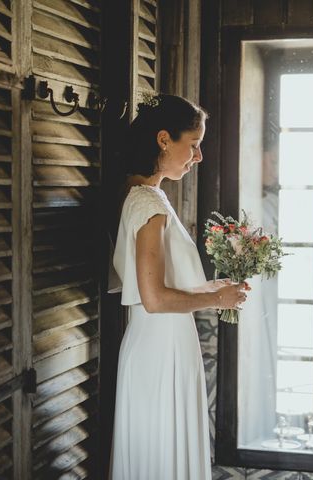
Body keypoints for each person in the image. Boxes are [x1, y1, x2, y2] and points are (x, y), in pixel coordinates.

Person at [109, 94, 247, 479]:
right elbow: (152, 298)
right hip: (158, 353)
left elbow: (159, 285)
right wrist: (216, 297)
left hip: (166, 346)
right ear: (164, 139)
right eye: (195, 144)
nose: (198, 157)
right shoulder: (147, 206)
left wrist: (210, 288)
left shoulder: (152, 197)